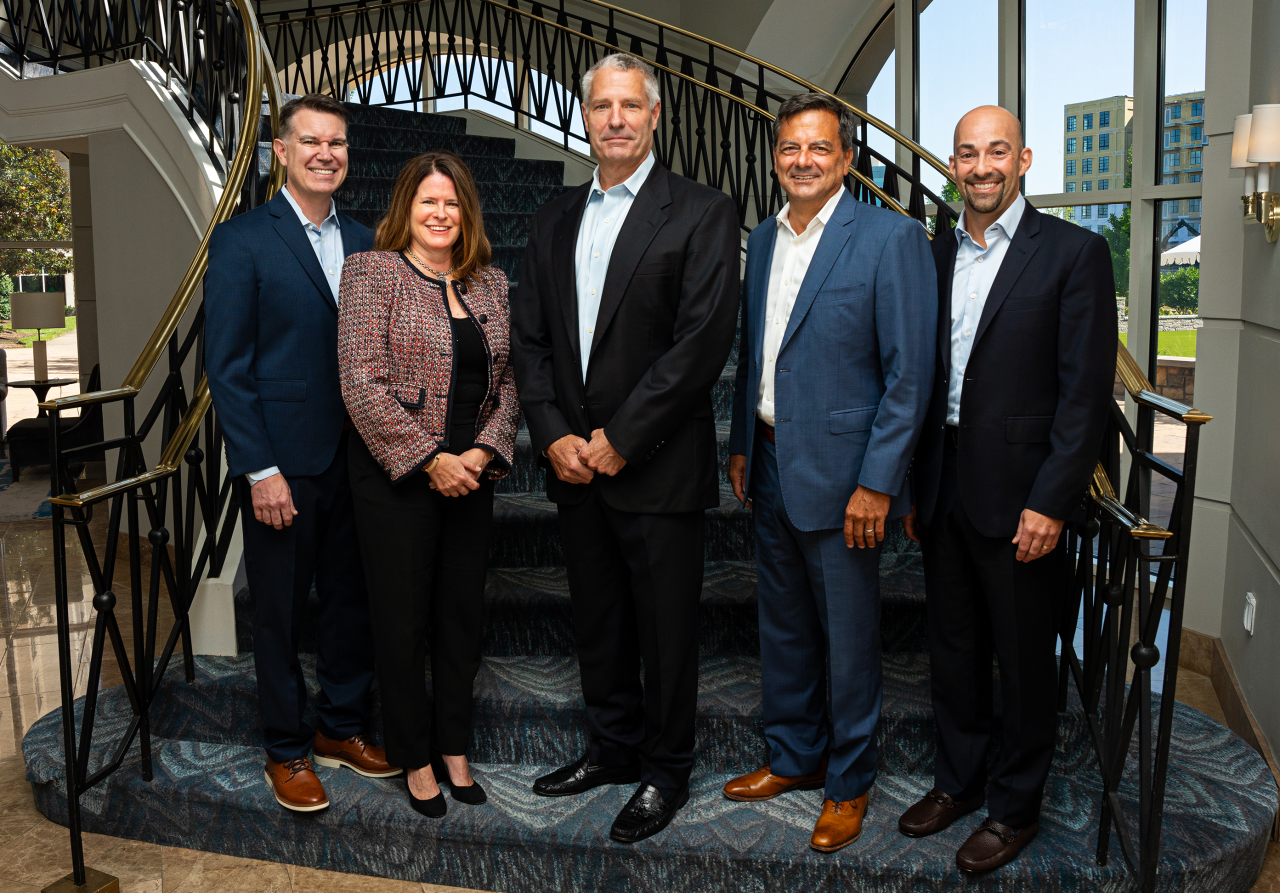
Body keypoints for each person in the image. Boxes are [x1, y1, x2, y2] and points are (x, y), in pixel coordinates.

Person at [510, 52, 739, 844]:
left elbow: (700, 344)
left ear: (654, 116)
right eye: (602, 105)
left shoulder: (702, 211)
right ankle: (611, 748)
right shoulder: (552, 218)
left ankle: (665, 770)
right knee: (599, 620)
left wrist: (621, 438)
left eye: (630, 105)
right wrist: (554, 436)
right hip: (574, 465)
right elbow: (530, 341)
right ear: (585, 116)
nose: (615, 119)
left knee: (665, 631)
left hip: (658, 464)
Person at [897, 106, 1116, 872]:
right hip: (944, 482)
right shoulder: (934, 253)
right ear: (953, 164)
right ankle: (957, 782)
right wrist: (914, 484)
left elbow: (1084, 396)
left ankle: (1015, 807)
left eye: (997, 151)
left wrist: (1052, 500)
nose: (981, 166)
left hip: (1025, 496)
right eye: (968, 153)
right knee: (953, 647)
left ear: (1023, 160)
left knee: (1023, 661)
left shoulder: (1075, 253)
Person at [721, 93, 936, 853]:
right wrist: (743, 441)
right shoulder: (762, 238)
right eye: (790, 148)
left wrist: (878, 482)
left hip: (847, 478)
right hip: (770, 459)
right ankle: (794, 756)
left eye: (819, 148)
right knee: (782, 626)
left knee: (847, 638)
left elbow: (909, 376)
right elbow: (757, 350)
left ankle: (849, 780)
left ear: (846, 159)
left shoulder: (890, 237)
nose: (803, 160)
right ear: (775, 159)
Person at [204, 93, 398, 814]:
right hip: (283, 465)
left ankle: (340, 727)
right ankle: (286, 748)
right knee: (281, 614)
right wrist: (259, 469)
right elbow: (227, 367)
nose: (325, 154)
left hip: (363, 461)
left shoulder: (370, 242)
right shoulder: (242, 240)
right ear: (281, 152)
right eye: (310, 141)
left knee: (353, 601)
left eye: (337, 142)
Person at [338, 151, 518, 818]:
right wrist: (430, 458)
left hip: (472, 476)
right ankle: (414, 756)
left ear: (467, 213)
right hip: (397, 478)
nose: (440, 214)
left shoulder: (490, 282)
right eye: (427, 202)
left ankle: (454, 748)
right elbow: (360, 380)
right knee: (402, 620)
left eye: (452, 203)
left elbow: (510, 381)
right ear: (406, 210)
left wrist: (483, 451)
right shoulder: (372, 272)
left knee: (460, 618)